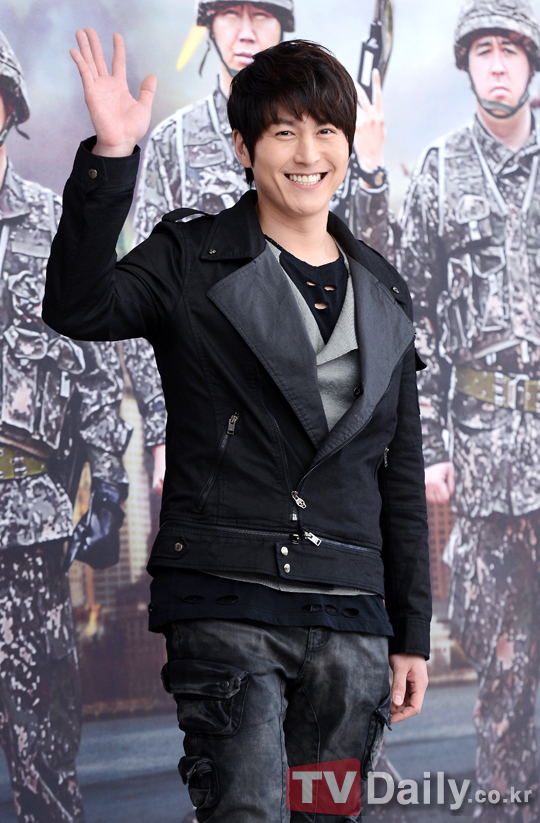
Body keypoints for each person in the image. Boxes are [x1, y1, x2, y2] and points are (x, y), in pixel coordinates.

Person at [43, 29, 431, 822]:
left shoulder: (385, 291)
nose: (308, 152)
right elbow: (78, 305)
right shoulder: (187, 257)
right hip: (229, 604)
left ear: (347, 145)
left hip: (351, 620)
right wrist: (112, 157)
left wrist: (411, 633)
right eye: (284, 131)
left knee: (325, 815)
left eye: (326, 130)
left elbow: (399, 474)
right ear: (244, 148)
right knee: (246, 810)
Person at [398, 0, 540, 818]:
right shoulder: (442, 172)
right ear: (468, 65)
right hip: (485, 462)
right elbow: (412, 316)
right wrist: (432, 441)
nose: (496, 63)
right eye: (483, 50)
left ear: (530, 64)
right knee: (504, 669)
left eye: (510, 50)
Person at [0, 27, 131, 823]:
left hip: (28, 522)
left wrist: (109, 487)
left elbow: (94, 370)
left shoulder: (55, 226)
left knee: (45, 743)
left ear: (9, 108)